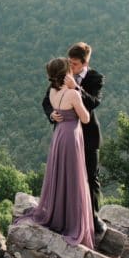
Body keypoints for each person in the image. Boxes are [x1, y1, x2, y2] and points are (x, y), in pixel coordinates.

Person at [18, 57, 95, 249]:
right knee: (74, 177)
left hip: (59, 134)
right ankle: (71, 221)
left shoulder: (53, 91)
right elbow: (85, 119)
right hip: (71, 136)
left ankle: (56, 212)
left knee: (59, 173)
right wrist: (77, 89)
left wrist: (53, 115)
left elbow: (52, 108)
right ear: (66, 72)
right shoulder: (73, 94)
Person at [42, 42, 106, 238]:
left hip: (87, 136)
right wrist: (52, 114)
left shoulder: (95, 78)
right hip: (67, 134)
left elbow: (94, 103)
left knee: (90, 177)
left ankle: (93, 218)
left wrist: (76, 88)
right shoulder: (61, 75)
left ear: (85, 63)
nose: (71, 67)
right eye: (70, 62)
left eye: (75, 64)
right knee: (66, 176)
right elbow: (47, 100)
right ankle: (67, 217)